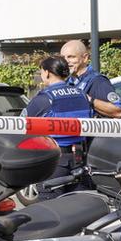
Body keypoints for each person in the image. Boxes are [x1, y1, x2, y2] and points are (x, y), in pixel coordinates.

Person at [23, 56, 94, 198]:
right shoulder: (83, 95)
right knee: (79, 208)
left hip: (54, 161)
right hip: (80, 158)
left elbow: (21, 126)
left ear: (47, 73)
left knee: (50, 210)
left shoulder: (44, 99)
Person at [60, 39, 121, 119]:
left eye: (71, 57)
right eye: (63, 58)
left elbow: (118, 112)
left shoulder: (97, 81)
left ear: (85, 58)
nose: (66, 61)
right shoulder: (65, 83)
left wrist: (88, 99)